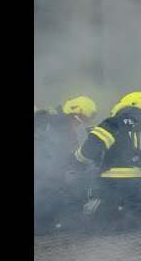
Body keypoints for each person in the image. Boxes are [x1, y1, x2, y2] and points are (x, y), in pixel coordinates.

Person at [76, 91, 141, 232]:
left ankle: (116, 220)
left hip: (117, 185)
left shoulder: (115, 121)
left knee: (103, 218)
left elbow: (90, 149)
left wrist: (76, 157)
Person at [34, 96, 98, 234]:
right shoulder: (55, 124)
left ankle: (48, 223)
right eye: (79, 119)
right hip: (44, 175)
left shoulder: (57, 121)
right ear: (74, 113)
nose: (78, 124)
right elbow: (54, 155)